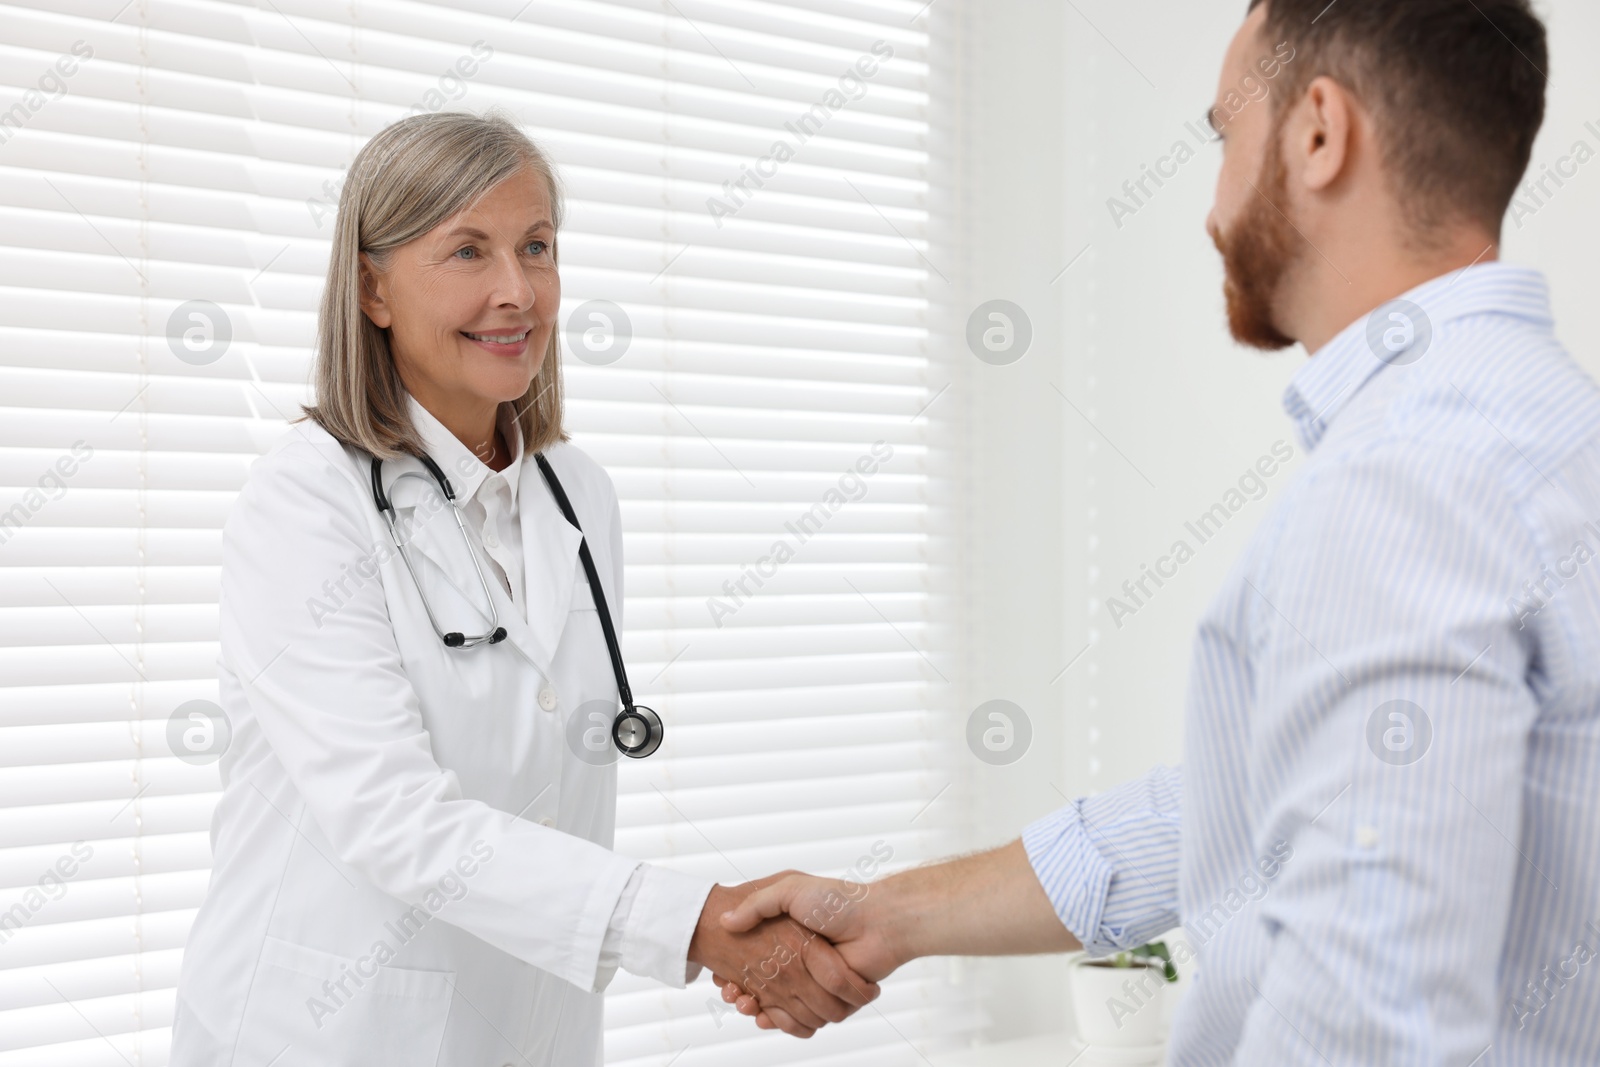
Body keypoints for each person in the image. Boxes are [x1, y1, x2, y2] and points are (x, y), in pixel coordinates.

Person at [715, 1, 1600, 1063]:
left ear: (1319, 133)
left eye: (1225, 135)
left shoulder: (1404, 478)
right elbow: (1281, 807)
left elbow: (1371, 1015)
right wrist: (894, 912)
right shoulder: (1546, 426)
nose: (1214, 204)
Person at [168, 110, 876, 1066]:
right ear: (373, 287)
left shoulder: (576, 493)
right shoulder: (306, 499)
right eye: (467, 251)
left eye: (536, 246)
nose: (517, 292)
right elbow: (395, 820)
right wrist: (699, 924)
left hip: (533, 1029)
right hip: (332, 1032)